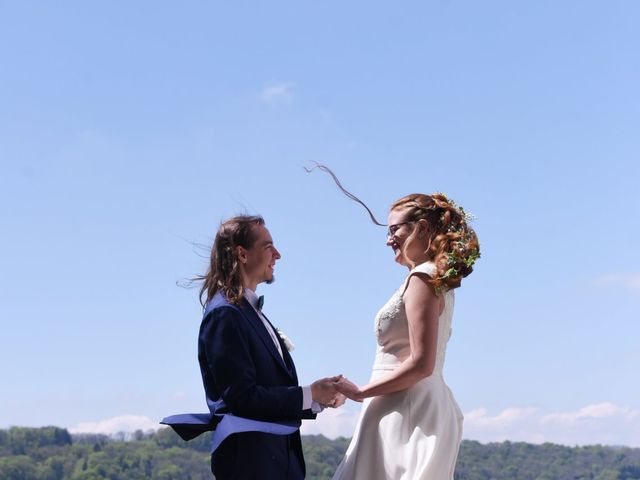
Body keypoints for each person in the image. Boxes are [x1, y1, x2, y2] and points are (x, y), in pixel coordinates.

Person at [162, 215, 344, 479]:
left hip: (277, 462)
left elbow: (269, 393)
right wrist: (309, 393)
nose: (278, 255)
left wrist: (317, 398)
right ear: (242, 254)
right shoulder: (224, 314)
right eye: (268, 247)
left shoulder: (247, 311)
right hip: (252, 464)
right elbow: (242, 398)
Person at [331, 193, 480, 480]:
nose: (389, 240)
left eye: (394, 230)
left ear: (422, 228)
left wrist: (361, 392)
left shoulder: (422, 279)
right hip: (406, 403)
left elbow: (422, 364)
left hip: (405, 409)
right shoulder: (434, 278)